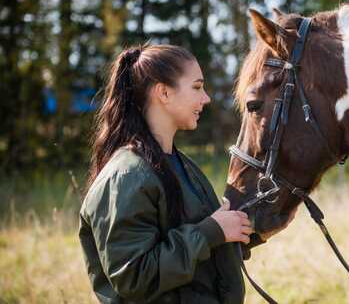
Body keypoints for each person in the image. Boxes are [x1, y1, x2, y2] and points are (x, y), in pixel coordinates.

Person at [79, 44, 256, 303]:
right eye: (197, 87)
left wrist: (234, 232)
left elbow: (197, 248)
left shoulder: (180, 163)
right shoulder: (126, 176)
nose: (205, 98)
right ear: (164, 92)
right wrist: (210, 232)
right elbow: (135, 277)